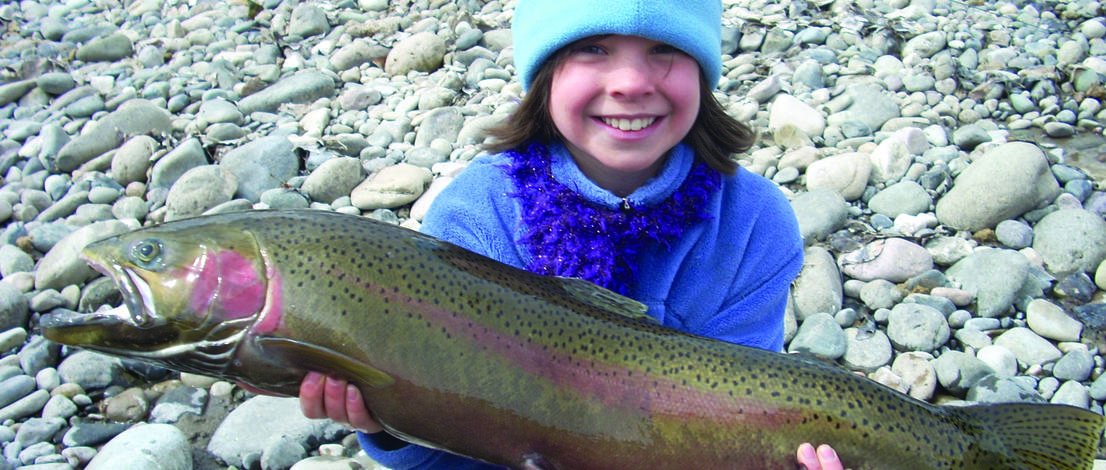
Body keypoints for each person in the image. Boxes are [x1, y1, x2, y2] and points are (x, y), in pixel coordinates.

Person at [296, 0, 844, 468]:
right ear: (544, 73)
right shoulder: (475, 217)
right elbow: (450, 456)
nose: (631, 83)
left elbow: (746, 417)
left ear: (703, 70)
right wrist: (392, 421)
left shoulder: (755, 221)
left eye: (665, 48)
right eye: (593, 49)